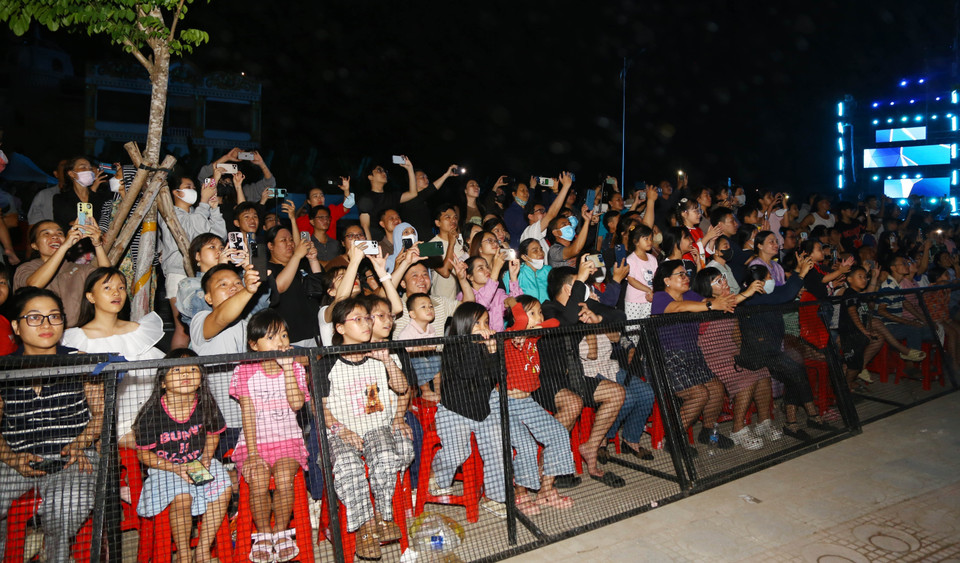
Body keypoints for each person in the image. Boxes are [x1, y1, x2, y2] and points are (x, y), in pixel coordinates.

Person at [0, 288, 103, 562]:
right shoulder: (3, 369)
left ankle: (57, 556)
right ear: (16, 326)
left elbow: (102, 415)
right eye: (34, 318)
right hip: (15, 458)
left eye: (54, 317)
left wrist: (79, 443)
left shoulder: (81, 362)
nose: (46, 325)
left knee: (67, 508)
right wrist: (11, 458)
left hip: (72, 458)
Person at [319, 298, 413, 560]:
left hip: (376, 426)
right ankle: (366, 527)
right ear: (340, 328)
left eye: (367, 319)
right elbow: (320, 408)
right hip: (342, 431)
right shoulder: (327, 362)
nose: (366, 324)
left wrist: (387, 362)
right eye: (357, 319)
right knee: (349, 466)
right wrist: (340, 429)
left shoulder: (379, 355)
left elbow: (402, 388)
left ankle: (384, 515)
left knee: (385, 455)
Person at [133, 349, 232, 563]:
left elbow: (214, 434)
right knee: (182, 498)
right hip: (165, 467)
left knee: (224, 489)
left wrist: (206, 458)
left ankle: (203, 549)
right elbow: (143, 454)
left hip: (198, 462)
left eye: (192, 369)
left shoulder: (205, 403)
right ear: (163, 383)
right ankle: (184, 554)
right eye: (177, 369)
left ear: (201, 379)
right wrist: (174, 468)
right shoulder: (152, 414)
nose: (186, 374)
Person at [230, 310, 310, 562]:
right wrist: (252, 453)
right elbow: (248, 416)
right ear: (254, 345)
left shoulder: (295, 368)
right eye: (272, 337)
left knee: (285, 476)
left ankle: (281, 534)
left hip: (288, 440)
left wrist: (288, 371)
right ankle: (264, 534)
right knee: (259, 476)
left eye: (284, 335)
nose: (281, 342)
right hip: (254, 442)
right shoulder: (244, 371)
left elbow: (297, 405)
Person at [62, 267, 164, 448]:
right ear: (91, 297)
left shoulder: (139, 332)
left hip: (147, 422)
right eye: (107, 288)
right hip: (97, 428)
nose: (116, 293)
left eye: (121, 287)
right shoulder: (76, 339)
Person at [430, 303, 508, 518]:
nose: (483, 327)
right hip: (454, 410)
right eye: (477, 323)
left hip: (482, 409)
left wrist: (493, 352)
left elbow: (499, 377)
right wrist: (476, 345)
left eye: (485, 322)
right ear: (464, 325)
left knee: (497, 445)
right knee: (457, 453)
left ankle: (494, 497)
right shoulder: (453, 345)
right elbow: (466, 372)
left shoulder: (486, 345)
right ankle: (438, 476)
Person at [650, 260, 737, 454]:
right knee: (699, 394)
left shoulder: (690, 295)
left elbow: (710, 303)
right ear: (667, 280)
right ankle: (673, 438)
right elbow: (680, 308)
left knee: (716, 388)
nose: (686, 278)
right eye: (680, 274)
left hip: (692, 355)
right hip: (667, 359)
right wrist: (710, 304)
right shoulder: (660, 297)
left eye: (686, 274)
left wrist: (722, 298)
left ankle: (707, 431)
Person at [502, 296, 574, 515]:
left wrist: (534, 324)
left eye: (540, 311)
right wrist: (518, 316)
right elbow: (517, 311)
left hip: (528, 402)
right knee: (526, 445)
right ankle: (520, 495)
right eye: (533, 312)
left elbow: (555, 322)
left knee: (559, 434)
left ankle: (546, 490)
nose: (540, 316)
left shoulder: (533, 336)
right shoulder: (508, 337)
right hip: (505, 403)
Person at [692, 268, 779, 449]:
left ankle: (764, 422)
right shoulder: (705, 303)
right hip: (712, 357)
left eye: (723, 278)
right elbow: (725, 303)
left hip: (731, 353)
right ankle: (738, 430)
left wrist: (745, 355)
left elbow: (736, 334)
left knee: (762, 373)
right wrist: (748, 292)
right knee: (746, 380)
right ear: (706, 288)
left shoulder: (732, 303)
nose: (724, 282)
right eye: (718, 281)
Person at [189, 262, 263, 452]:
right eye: (223, 284)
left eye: (238, 283)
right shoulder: (201, 320)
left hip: (250, 421)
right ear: (208, 297)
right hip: (214, 425)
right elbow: (222, 317)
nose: (232, 287)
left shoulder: (250, 326)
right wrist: (246, 290)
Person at [159, 174, 227, 348]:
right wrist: (203, 203)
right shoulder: (169, 214)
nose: (194, 191)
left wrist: (213, 208)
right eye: (189, 187)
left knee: (203, 325)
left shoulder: (198, 213)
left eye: (194, 188)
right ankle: (174, 369)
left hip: (202, 275)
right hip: (178, 274)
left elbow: (217, 237)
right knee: (183, 329)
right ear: (176, 192)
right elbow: (191, 234)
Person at [13, 220, 111, 327]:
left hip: (76, 335)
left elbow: (108, 280)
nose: (55, 236)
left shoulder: (78, 269)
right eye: (46, 233)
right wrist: (63, 247)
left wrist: (97, 244)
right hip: (41, 333)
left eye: (59, 233)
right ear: (34, 245)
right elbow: (34, 285)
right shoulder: (26, 268)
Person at [264, 225, 323, 347]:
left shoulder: (301, 264)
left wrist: (313, 260)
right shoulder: (267, 268)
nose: (289, 243)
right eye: (283, 240)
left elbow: (319, 287)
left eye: (291, 240)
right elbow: (278, 287)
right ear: (270, 246)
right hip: (291, 337)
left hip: (315, 333)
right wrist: (296, 256)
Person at [395, 293, 442, 402]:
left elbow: (432, 348)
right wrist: (422, 349)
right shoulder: (408, 331)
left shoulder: (431, 329)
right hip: (408, 361)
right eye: (423, 307)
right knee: (419, 360)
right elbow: (405, 351)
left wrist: (421, 348)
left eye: (431, 306)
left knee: (437, 358)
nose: (429, 309)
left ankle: (438, 391)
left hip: (425, 356)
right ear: (412, 314)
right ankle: (426, 391)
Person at [51, 156, 114, 231]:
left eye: (90, 169)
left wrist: (92, 192)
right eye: (83, 167)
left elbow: (104, 221)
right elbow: (60, 226)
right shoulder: (61, 199)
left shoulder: (102, 197)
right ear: (71, 173)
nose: (89, 171)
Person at [462, 255, 521, 332]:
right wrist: (496, 269)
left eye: (487, 267)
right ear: (470, 277)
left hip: (498, 341)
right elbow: (481, 305)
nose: (487, 270)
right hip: (476, 341)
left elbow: (517, 307)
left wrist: (513, 277)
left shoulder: (499, 293)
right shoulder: (464, 297)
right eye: (481, 268)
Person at [625, 224, 658, 320]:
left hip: (649, 298)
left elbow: (655, 277)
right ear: (636, 241)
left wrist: (653, 292)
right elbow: (631, 280)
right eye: (646, 239)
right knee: (633, 328)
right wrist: (648, 290)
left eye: (651, 239)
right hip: (634, 300)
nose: (649, 242)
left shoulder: (652, 259)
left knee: (646, 326)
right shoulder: (631, 259)